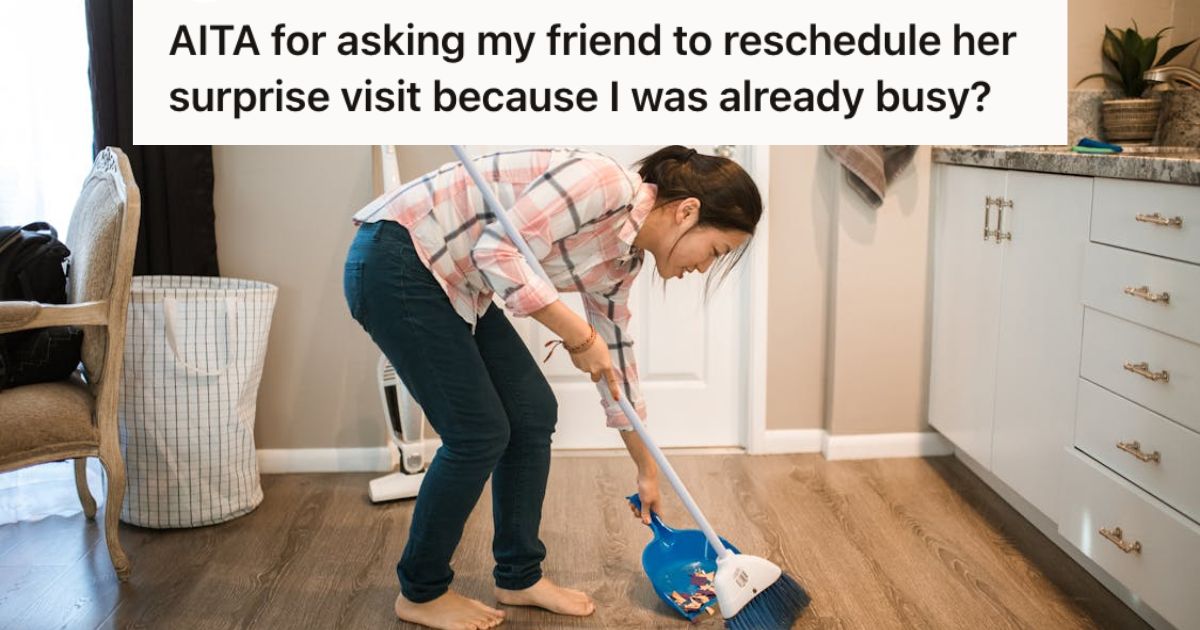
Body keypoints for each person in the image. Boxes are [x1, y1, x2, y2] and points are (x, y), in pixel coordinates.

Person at [344, 145, 762, 630]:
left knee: (532, 413)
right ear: (687, 211)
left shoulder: (621, 263)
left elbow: (616, 365)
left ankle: (517, 576)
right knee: (477, 433)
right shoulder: (603, 183)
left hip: (456, 281)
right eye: (715, 251)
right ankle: (420, 591)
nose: (705, 267)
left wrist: (647, 470)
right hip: (399, 256)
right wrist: (578, 335)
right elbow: (496, 251)